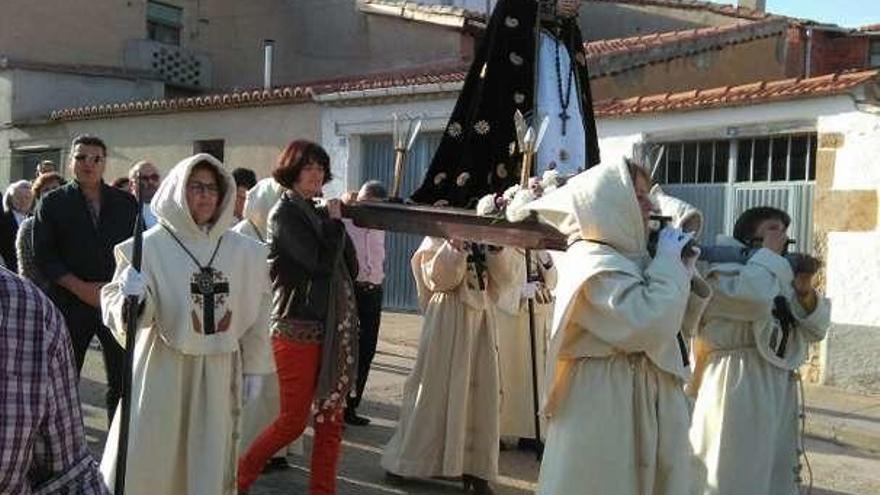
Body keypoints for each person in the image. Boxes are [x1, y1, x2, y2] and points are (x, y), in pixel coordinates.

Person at [527, 158, 709, 495]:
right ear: (612, 199)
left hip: (647, 392)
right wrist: (669, 266)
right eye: (638, 196)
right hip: (605, 396)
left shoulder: (636, 257)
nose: (649, 205)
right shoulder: (591, 260)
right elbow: (645, 324)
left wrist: (682, 270)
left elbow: (677, 329)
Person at [99, 153, 274, 494]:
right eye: (197, 187)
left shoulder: (245, 251)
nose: (206, 195)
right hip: (162, 367)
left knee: (207, 457)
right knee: (153, 454)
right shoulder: (149, 247)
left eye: (212, 188)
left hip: (218, 369)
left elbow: (258, 309)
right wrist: (130, 300)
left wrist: (254, 366)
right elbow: (118, 304)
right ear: (180, 190)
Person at [237, 140, 359, 495]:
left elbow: (350, 266)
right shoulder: (285, 213)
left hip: (332, 327)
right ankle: (237, 480)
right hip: (296, 328)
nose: (316, 174)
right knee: (292, 423)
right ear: (291, 171)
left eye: (320, 168)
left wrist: (336, 221)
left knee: (330, 421)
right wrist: (335, 225)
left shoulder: (318, 211)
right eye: (308, 167)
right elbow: (318, 266)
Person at [689, 207, 831, 495]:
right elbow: (754, 299)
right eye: (772, 228)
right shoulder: (723, 274)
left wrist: (803, 292)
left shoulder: (775, 274)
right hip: (735, 381)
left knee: (771, 473)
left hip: (776, 385)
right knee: (730, 468)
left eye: (784, 230)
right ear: (750, 237)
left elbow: (815, 331)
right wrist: (769, 257)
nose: (782, 236)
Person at [410, 0, 599, 207]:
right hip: (528, 52)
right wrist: (549, 8)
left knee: (572, 125)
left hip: (562, 51)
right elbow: (510, 7)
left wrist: (568, 9)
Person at [381, 236, 517, 494]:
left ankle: (476, 469)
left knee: (481, 396)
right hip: (448, 317)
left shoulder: (487, 234)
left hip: (481, 322)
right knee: (432, 392)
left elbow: (507, 281)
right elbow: (439, 280)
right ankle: (406, 462)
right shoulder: (436, 237)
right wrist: (454, 247)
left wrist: (497, 249)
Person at [33, 135, 137, 423]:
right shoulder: (53, 203)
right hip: (69, 304)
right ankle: (64, 451)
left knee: (122, 381)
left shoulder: (126, 203)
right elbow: (44, 256)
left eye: (96, 159)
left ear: (105, 164)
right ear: (70, 163)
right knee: (63, 383)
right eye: (81, 158)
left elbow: (137, 252)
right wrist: (81, 289)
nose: (88, 164)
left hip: (115, 303)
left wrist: (115, 289)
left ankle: (117, 454)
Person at [0, 268, 109, 494]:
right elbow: (42, 255)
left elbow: (69, 477)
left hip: (85, 310)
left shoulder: (32, 317)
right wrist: (79, 286)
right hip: (68, 295)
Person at [232, 176, 306, 472]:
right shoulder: (240, 235)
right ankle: (246, 452)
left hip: (278, 322)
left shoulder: (282, 235)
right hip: (249, 325)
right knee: (252, 393)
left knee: (275, 391)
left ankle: (274, 451)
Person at [495, 248, 556, 448]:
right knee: (507, 376)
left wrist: (546, 262)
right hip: (511, 321)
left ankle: (530, 433)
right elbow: (500, 283)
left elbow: (553, 281)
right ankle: (498, 432)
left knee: (532, 379)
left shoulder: (537, 249)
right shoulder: (506, 248)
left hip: (536, 318)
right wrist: (523, 292)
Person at [341, 180, 388, 426]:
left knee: (367, 350)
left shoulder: (381, 224)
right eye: (367, 205)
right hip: (352, 290)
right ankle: (338, 407)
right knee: (346, 349)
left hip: (374, 291)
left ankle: (352, 407)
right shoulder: (347, 218)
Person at [17, 172, 64, 291]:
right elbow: (27, 268)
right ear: (39, 196)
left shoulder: (74, 222)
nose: (51, 192)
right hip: (41, 292)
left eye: (55, 188)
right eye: (46, 190)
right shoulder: (28, 227)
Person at [0, 179, 34, 273]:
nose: (23, 201)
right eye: (18, 197)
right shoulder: (2, 219)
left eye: (27, 197)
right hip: (8, 270)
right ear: (10, 198)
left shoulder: (36, 220)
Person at [128, 160, 162, 228]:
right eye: (144, 178)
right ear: (131, 184)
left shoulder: (168, 208)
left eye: (154, 177)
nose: (150, 182)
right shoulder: (125, 210)